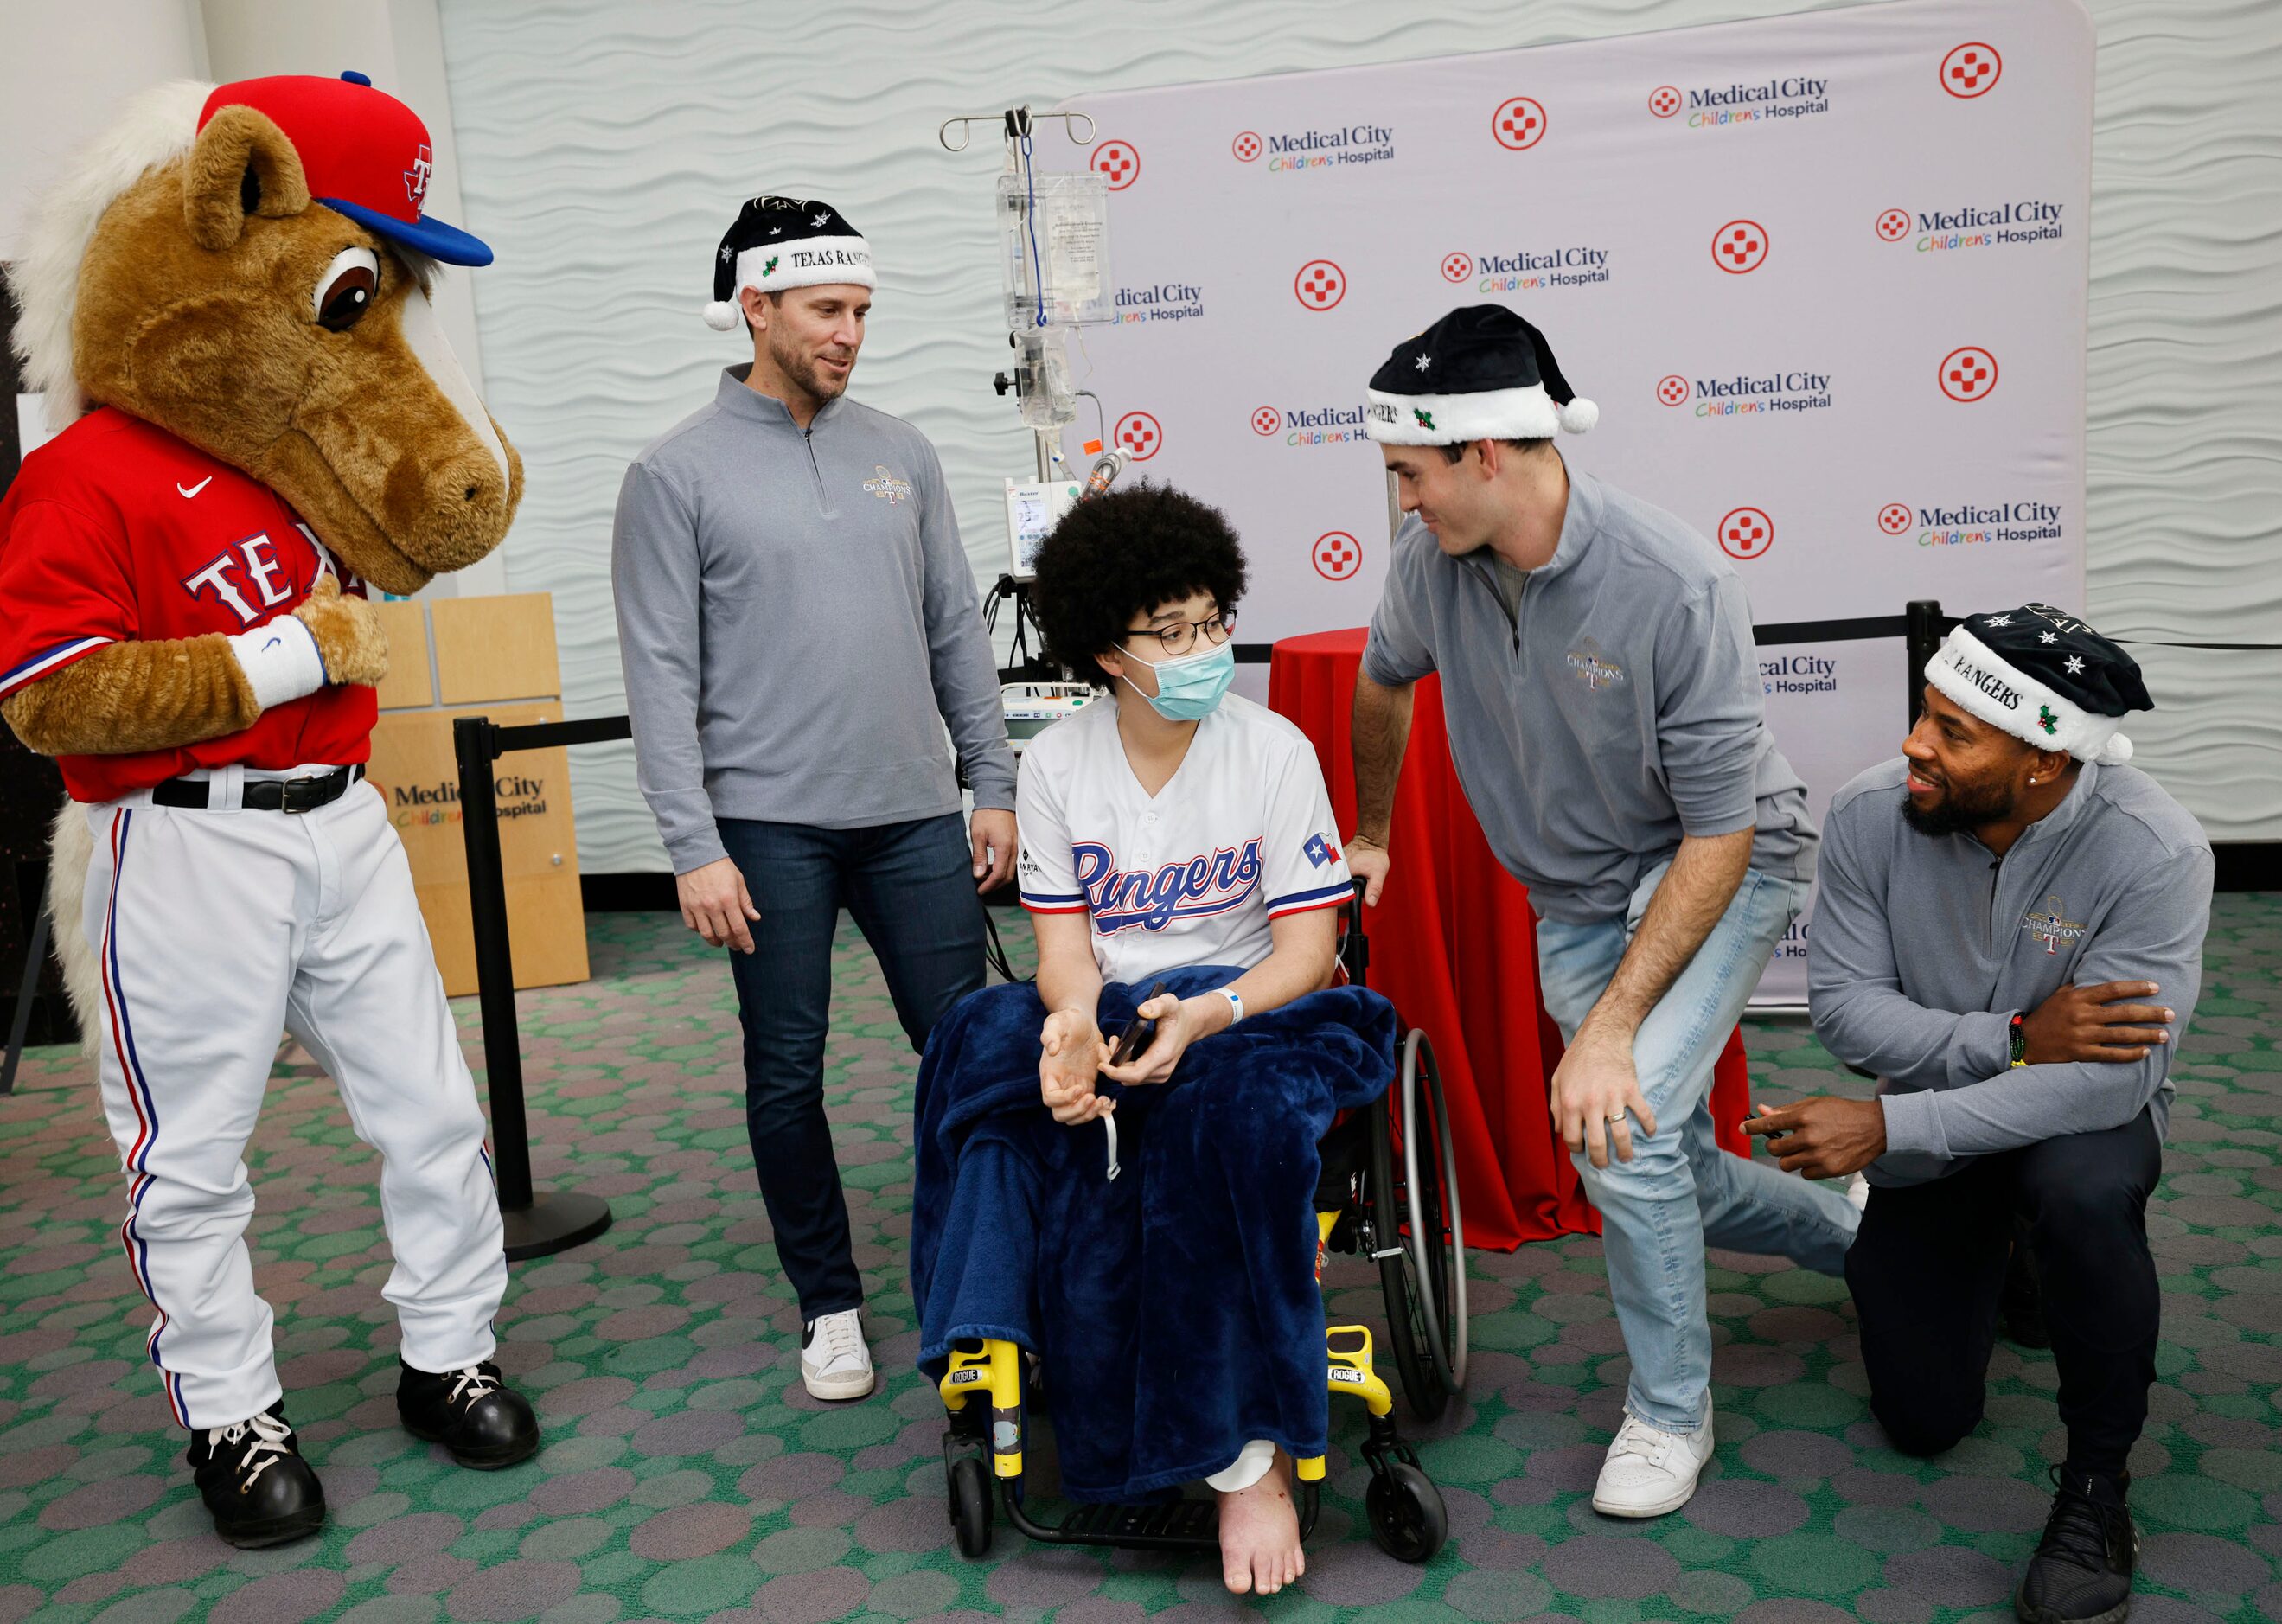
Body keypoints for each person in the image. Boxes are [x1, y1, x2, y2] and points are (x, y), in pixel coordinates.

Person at [1349, 305, 1857, 1517]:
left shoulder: (1671, 579)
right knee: (1660, 1152)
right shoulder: (1430, 563)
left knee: (1617, 1129)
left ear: (1484, 454)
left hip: (1718, 863)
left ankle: (1669, 1413)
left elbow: (1718, 829)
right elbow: (1381, 679)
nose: (1398, 503)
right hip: (1572, 891)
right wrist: (1370, 826)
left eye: (1408, 475)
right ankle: (1864, 1242)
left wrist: (1614, 1024)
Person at [908, 484, 1385, 1596]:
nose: (1201, 647)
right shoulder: (1055, 768)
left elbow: (1308, 950)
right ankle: (999, 1345)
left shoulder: (1271, 750)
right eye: (1168, 632)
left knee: (1224, 1117)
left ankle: (1245, 1454)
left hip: (1250, 999)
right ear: (1103, 651)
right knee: (981, 1056)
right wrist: (1067, 1032)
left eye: (1212, 620)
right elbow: (1063, 954)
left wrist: (1210, 1014)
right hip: (1114, 997)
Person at [612, 195, 1016, 1402]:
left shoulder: (902, 452)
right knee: (785, 1071)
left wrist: (988, 783)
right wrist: (692, 845)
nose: (849, 333)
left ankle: (988, 1275)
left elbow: (954, 627)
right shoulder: (671, 473)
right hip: (764, 829)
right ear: (757, 307)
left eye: (860, 312)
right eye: (827, 310)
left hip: (910, 815)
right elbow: (659, 676)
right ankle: (827, 1300)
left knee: (970, 1052)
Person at [1754, 605, 2212, 1624]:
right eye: (1923, 712)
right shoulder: (1874, 812)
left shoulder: (2157, 852)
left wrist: (1887, 1130)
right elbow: (1845, 1013)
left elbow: (2106, 1082)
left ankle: (2097, 1489)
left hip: (2067, 1131)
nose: (1914, 745)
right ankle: (2011, 1260)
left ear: (2044, 762)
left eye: (1953, 733)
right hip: (1952, 1113)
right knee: (1920, 1420)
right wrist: (2012, 1036)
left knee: (2082, 1197)